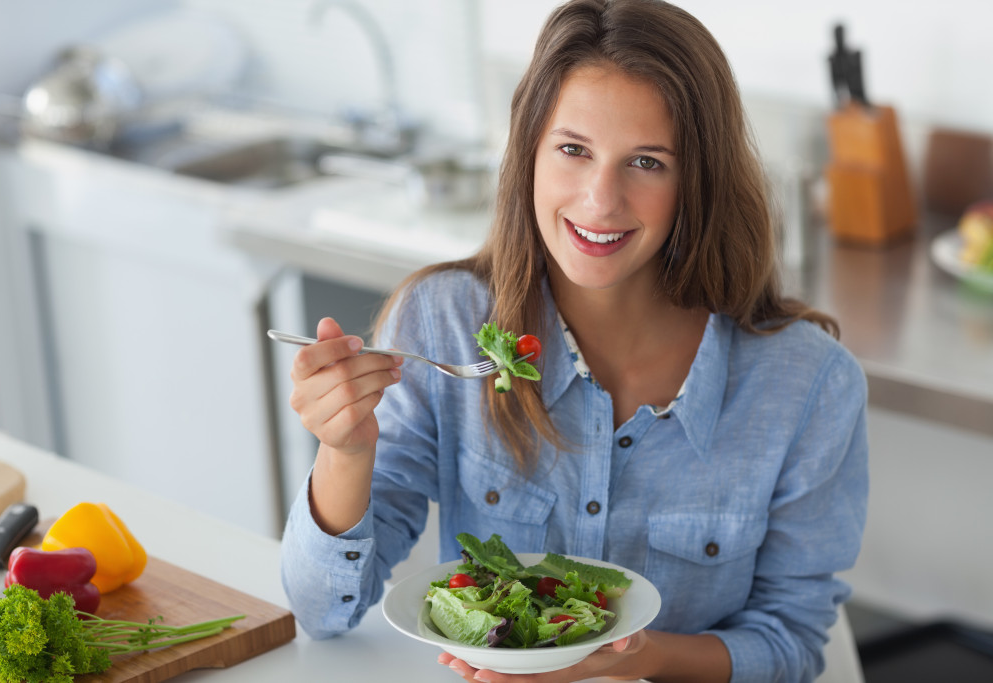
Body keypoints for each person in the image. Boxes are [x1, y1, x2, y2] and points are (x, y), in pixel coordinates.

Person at [279, 0, 868, 681]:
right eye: (572, 149)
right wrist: (345, 450)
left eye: (646, 162)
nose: (599, 200)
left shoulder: (809, 384)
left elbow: (790, 644)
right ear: (528, 151)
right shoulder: (440, 321)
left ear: (697, 182)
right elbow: (320, 611)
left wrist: (635, 660)